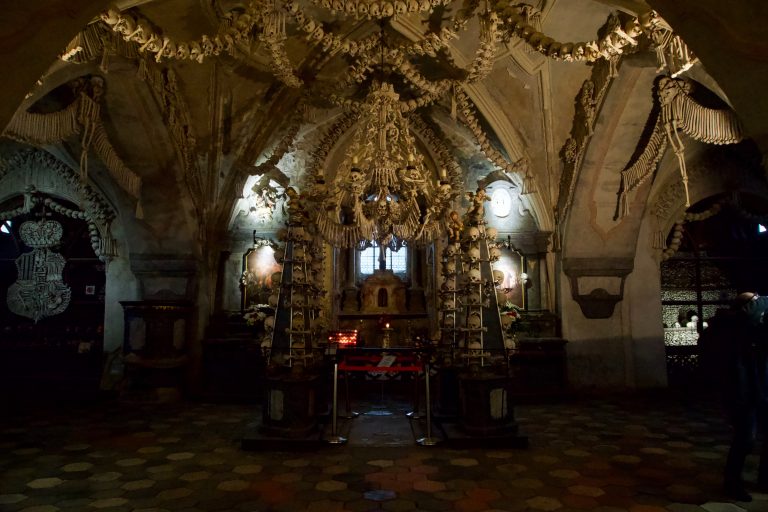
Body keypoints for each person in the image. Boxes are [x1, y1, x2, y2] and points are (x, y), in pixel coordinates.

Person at [703, 292, 768, 501]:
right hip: (741, 392)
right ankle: (732, 482)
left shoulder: (754, 327)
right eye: (755, 300)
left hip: (760, 389)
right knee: (745, 439)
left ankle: (765, 479)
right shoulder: (728, 326)